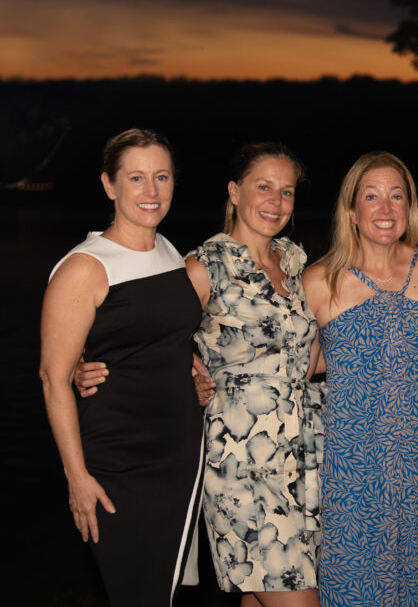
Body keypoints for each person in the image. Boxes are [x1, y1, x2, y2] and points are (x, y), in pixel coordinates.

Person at [75, 142, 324, 606]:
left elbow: (306, 354)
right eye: (263, 187)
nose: (275, 201)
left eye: (286, 191)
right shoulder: (206, 265)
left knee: (260, 595)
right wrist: (78, 362)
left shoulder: (294, 261)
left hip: (302, 455)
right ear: (234, 191)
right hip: (241, 458)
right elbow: (140, 328)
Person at [40, 128, 204, 605]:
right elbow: (54, 378)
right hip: (118, 462)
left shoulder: (170, 252)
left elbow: (164, 337)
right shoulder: (85, 267)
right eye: (136, 178)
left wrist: (191, 370)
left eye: (161, 177)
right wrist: (76, 477)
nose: (151, 192)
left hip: (179, 454)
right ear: (110, 185)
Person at [302, 152, 418, 606]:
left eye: (396, 196)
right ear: (351, 211)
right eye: (371, 197)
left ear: (409, 207)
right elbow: (290, 372)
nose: (385, 209)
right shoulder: (318, 282)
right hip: (351, 474)